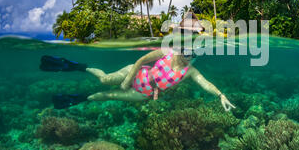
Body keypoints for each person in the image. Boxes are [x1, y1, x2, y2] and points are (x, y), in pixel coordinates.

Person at [40, 46, 236, 112]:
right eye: (187, 54)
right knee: (104, 81)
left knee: (110, 96)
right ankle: (77, 66)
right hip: (134, 73)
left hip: (144, 93)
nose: (188, 58)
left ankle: (78, 98)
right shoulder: (166, 52)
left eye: (193, 56)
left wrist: (220, 94)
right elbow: (142, 59)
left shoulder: (190, 71)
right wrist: (128, 79)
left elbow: (204, 82)